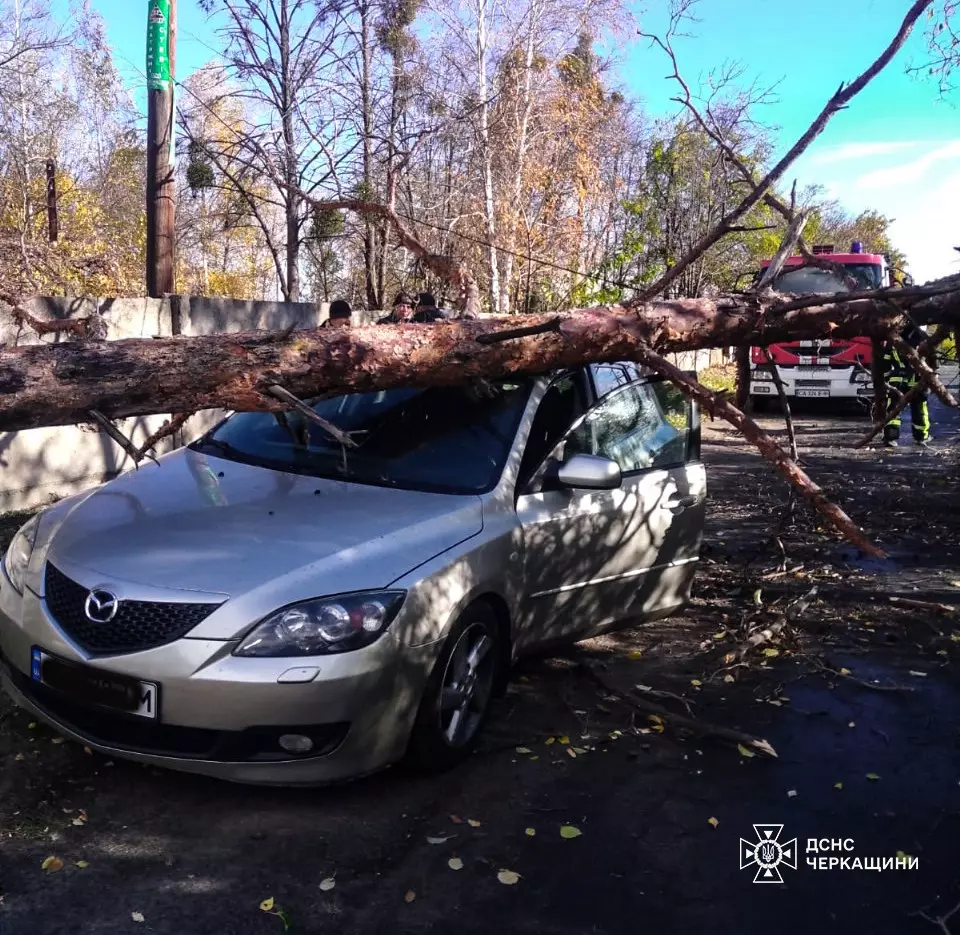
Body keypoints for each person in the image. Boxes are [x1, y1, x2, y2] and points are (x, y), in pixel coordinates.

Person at [882, 321, 931, 448]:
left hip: (896, 380)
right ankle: (921, 437)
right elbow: (930, 361)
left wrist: (886, 379)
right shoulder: (923, 339)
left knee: (893, 410)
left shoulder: (894, 338)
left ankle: (890, 437)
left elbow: (886, 360)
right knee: (920, 409)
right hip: (917, 380)